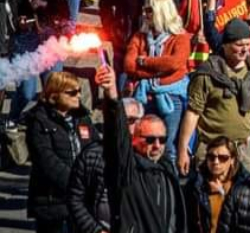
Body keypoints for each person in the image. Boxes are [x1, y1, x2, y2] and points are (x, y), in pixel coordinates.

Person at [94, 61, 187, 233]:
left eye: (162, 139)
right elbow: (116, 135)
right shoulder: (127, 167)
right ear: (135, 139)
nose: (157, 145)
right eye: (150, 140)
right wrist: (112, 93)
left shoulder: (166, 169)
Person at [178, 18, 250, 175]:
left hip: (245, 150)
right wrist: (182, 150)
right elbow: (193, 113)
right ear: (226, 45)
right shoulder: (207, 74)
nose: (244, 50)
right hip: (212, 152)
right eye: (239, 45)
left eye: (248, 45)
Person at [26, 71, 98, 233]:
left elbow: (94, 149)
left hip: (81, 201)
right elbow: (46, 160)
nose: (78, 96)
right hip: (51, 200)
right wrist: (76, 183)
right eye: (72, 92)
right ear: (54, 94)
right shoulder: (38, 120)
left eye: (79, 91)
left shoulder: (83, 118)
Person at [124, 0, 193, 160]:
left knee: (168, 146)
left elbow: (175, 63)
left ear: (161, 11)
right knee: (142, 142)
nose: (144, 14)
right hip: (145, 97)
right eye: (144, 10)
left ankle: (168, 183)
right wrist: (156, 70)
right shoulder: (139, 37)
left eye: (149, 10)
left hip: (172, 97)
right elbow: (129, 65)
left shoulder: (180, 37)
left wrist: (145, 61)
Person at [68, 97, 145, 233]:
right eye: (122, 119)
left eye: (131, 120)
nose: (125, 125)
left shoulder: (146, 156)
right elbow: (75, 198)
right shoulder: (92, 155)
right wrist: (95, 230)